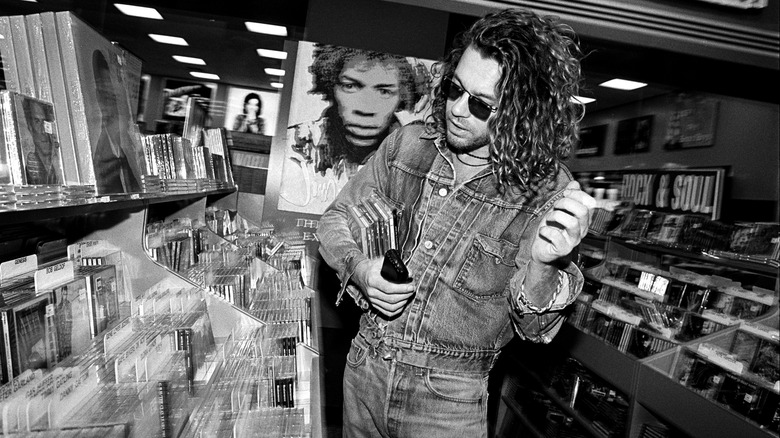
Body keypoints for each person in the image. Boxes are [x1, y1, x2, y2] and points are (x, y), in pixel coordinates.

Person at [317, 8, 598, 437]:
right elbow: (336, 219)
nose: (457, 109)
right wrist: (360, 269)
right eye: (453, 88)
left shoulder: (549, 194)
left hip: (447, 399)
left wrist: (545, 265)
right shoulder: (408, 145)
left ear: (521, 113)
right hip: (364, 367)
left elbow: (537, 330)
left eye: (482, 104)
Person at [290, 44, 431, 179]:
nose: (365, 109)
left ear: (403, 95)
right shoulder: (296, 145)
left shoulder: (422, 157)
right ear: (331, 86)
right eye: (350, 86)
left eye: (384, 91)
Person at [91, 49, 143, 194]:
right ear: (99, 97)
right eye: (108, 96)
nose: (116, 106)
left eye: (116, 97)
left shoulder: (125, 152)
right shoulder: (102, 159)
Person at [22, 98, 62, 185]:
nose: (43, 130)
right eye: (37, 121)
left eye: (46, 122)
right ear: (30, 126)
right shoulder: (28, 173)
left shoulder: (59, 165)